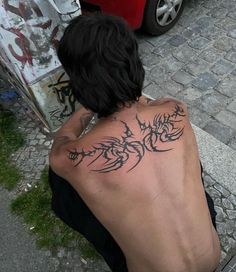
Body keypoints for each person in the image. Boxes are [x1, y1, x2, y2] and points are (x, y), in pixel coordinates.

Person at [49, 13, 221, 272]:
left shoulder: (70, 158)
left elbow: (62, 139)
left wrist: (89, 105)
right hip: (212, 258)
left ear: (78, 82)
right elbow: (145, 101)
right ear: (134, 64)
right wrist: (125, 90)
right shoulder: (176, 111)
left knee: (62, 185)